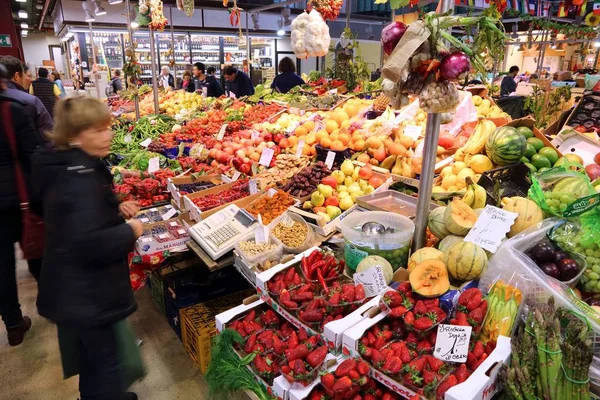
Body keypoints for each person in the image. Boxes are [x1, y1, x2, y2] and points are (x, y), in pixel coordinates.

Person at [32, 95, 144, 400]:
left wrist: (111, 210)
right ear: (73, 135)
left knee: (94, 358)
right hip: (87, 293)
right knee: (108, 361)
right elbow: (87, 243)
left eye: (107, 128)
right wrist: (128, 230)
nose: (107, 135)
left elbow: (62, 217)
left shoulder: (62, 164)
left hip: (71, 287)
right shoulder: (78, 177)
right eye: (96, 130)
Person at [0, 63, 42, 346]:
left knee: (2, 266)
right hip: (20, 195)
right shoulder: (15, 108)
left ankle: (13, 325)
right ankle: (51, 303)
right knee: (38, 249)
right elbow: (35, 154)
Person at [0, 56, 53, 137]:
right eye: (28, 75)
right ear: (17, 76)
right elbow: (48, 135)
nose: (31, 79)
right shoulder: (30, 101)